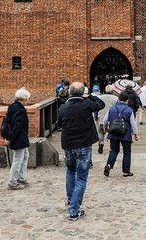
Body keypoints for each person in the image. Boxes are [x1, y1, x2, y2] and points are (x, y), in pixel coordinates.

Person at [59, 81, 105, 221]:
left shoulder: (63, 107)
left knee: (70, 171)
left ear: (70, 92)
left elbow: (60, 123)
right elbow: (101, 104)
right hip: (83, 144)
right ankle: (74, 210)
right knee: (81, 177)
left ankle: (70, 200)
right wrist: (89, 95)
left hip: (68, 144)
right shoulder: (86, 104)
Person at [102, 91, 139, 177]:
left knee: (114, 150)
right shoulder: (129, 110)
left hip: (113, 132)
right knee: (127, 152)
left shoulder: (111, 108)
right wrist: (135, 134)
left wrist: (105, 128)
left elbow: (105, 120)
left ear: (119, 99)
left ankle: (109, 165)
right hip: (125, 133)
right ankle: (126, 171)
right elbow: (133, 123)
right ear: (127, 100)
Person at [5, 88, 31, 190]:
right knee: (18, 159)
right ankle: (12, 182)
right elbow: (17, 127)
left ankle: (21, 177)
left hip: (19, 138)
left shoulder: (12, 108)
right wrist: (11, 138)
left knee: (25, 156)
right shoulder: (20, 110)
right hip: (19, 138)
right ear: (23, 99)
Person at [96, 85, 118, 154]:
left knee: (100, 132)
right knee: (112, 133)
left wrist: (96, 116)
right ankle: (112, 148)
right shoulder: (116, 98)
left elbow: (96, 107)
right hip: (112, 119)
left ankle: (101, 142)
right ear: (112, 91)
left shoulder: (100, 98)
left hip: (101, 118)